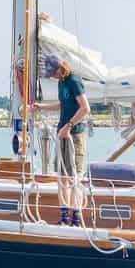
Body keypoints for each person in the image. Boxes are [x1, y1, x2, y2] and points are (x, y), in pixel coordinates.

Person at [52, 58, 90, 227]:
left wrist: (68, 126)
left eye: (53, 71)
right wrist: (41, 106)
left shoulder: (74, 81)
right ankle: (65, 217)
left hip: (74, 135)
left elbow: (85, 108)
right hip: (62, 134)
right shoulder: (61, 82)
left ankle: (77, 218)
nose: (51, 75)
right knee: (62, 177)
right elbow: (63, 105)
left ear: (60, 68)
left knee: (74, 177)